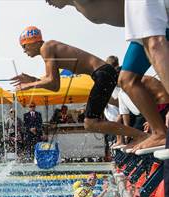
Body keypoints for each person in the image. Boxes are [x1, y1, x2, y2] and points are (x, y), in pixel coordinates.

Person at [46, 0, 169, 151]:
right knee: (126, 80)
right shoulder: (78, 6)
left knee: (154, 48)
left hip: (153, 17)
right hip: (140, 24)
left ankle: (157, 132)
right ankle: (159, 133)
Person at [12, 26, 147, 146]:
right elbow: (54, 85)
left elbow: (52, 82)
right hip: (102, 74)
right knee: (109, 111)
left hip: (103, 74)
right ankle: (140, 133)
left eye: (23, 46)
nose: (24, 51)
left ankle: (141, 136)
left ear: (33, 42)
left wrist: (29, 84)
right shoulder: (48, 48)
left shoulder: (46, 47)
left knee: (90, 123)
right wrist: (33, 80)